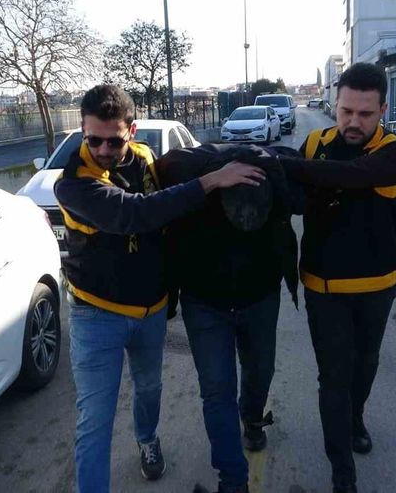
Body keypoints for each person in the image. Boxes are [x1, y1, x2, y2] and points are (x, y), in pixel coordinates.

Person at [54, 85, 265, 493]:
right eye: (93, 139)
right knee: (95, 420)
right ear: (82, 131)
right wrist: (211, 181)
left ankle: (147, 439)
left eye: (113, 140)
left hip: (150, 311)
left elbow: (173, 212)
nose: (102, 149)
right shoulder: (74, 183)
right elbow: (136, 213)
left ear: (131, 131)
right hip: (96, 315)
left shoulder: (147, 159)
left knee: (149, 388)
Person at [278, 62, 396, 493]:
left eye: (365, 113)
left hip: (377, 285)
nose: (354, 122)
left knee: (365, 364)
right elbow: (296, 197)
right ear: (335, 105)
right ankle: (343, 473)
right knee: (333, 377)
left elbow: (353, 175)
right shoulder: (315, 142)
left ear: (383, 111)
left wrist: (294, 168)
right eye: (346, 111)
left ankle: (356, 417)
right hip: (323, 287)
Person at [154, 143, 301, 493]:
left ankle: (252, 418)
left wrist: (273, 165)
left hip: (260, 298)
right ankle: (233, 482)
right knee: (217, 390)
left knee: (260, 371)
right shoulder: (193, 181)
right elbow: (161, 175)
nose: (244, 216)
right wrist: (211, 179)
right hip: (204, 303)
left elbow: (304, 196)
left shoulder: (272, 178)